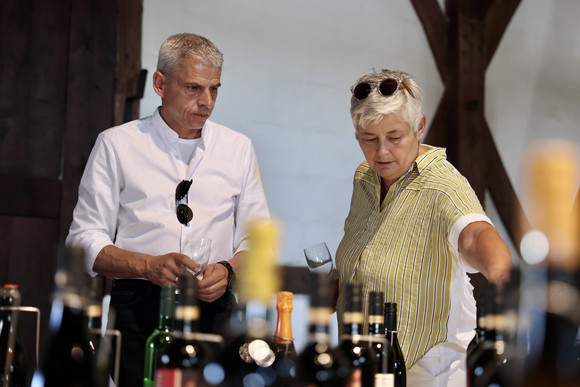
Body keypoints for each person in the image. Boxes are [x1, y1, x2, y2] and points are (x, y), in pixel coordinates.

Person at [66, 33, 270, 386]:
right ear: (160, 84)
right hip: (137, 308)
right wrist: (148, 266)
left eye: (214, 89)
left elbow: (258, 240)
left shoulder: (238, 148)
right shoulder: (117, 144)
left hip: (215, 310)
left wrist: (229, 270)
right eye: (193, 88)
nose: (206, 102)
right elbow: (83, 240)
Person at [334, 69, 512, 386]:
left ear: (419, 127)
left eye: (395, 137)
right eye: (369, 139)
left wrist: (502, 285)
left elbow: (476, 235)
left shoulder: (443, 186)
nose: (382, 151)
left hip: (428, 373)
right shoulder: (365, 177)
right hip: (363, 367)